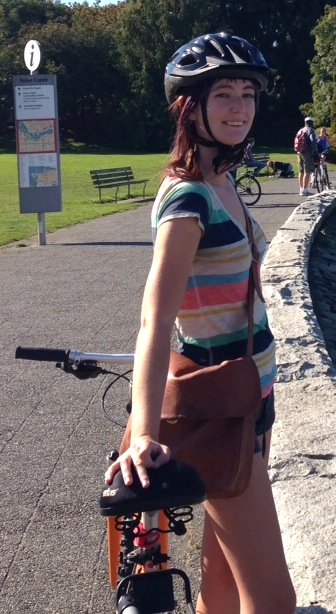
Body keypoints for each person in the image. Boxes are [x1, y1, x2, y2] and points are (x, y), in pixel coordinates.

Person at [105, 32, 296, 614]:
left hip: (246, 406)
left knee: (220, 587)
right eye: (224, 95)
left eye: (248, 94)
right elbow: (154, 320)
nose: (240, 108)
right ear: (193, 106)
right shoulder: (189, 199)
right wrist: (143, 434)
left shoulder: (222, 182)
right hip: (217, 412)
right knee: (273, 599)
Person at [296, 116, 318, 196]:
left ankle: (301, 189)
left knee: (300, 171)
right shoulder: (311, 131)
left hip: (299, 152)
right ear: (311, 123)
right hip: (307, 153)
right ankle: (305, 190)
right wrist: (314, 152)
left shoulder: (300, 130)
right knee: (307, 171)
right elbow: (313, 141)